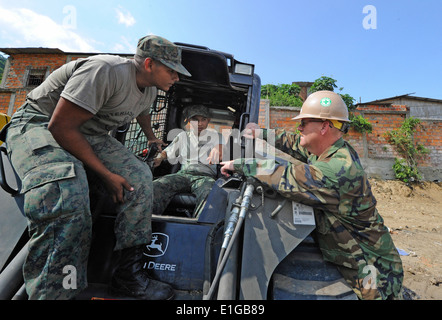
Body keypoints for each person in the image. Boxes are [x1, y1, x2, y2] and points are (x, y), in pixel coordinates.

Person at [3, 35, 191, 300]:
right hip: (39, 123)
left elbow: (142, 110)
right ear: (149, 64)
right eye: (172, 71)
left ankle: (126, 275)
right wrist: (106, 175)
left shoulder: (149, 87)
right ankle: (54, 293)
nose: (177, 78)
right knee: (66, 191)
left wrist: (150, 136)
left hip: (89, 132)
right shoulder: (106, 70)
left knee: (139, 178)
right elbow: (60, 127)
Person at [220, 90, 404, 300]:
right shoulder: (333, 150)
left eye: (305, 123)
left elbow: (287, 176)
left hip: (374, 271)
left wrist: (240, 164)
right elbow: (295, 143)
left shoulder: (338, 169)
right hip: (353, 255)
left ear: (325, 126)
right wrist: (260, 133)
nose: (299, 127)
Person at [153, 105, 224, 216]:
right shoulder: (183, 136)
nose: (200, 123)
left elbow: (221, 148)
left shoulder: (217, 136)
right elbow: (167, 152)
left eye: (203, 119)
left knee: (210, 194)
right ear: (189, 121)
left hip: (205, 177)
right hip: (184, 175)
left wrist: (218, 149)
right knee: (156, 186)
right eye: (195, 120)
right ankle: (151, 221)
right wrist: (159, 158)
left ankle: (197, 227)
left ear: (208, 121)